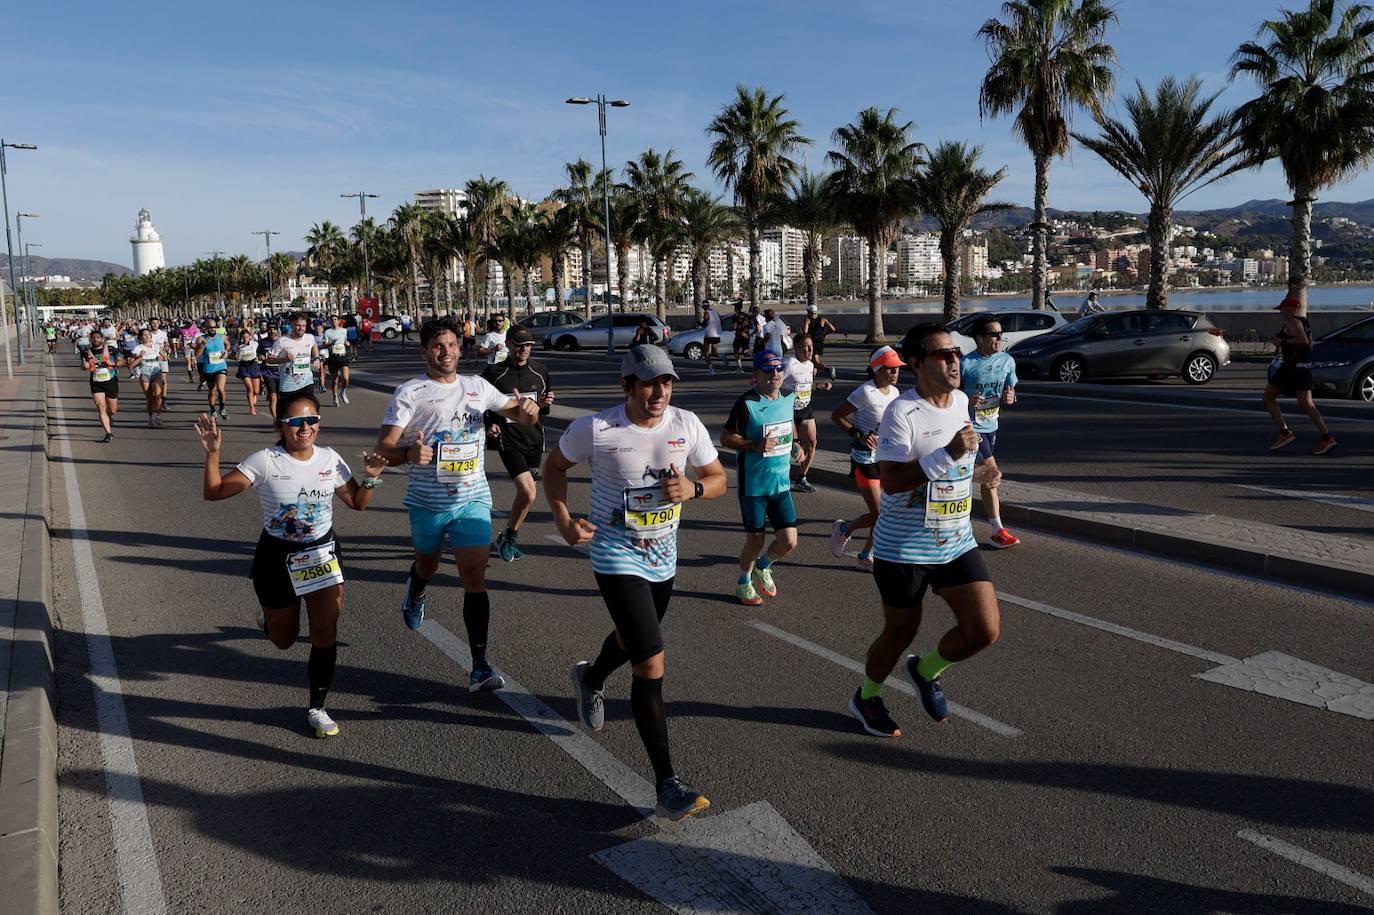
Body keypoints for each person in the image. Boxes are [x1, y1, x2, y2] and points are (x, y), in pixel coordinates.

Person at [546, 344, 727, 821]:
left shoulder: (686, 425)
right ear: (626, 386)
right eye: (648, 383)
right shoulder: (598, 429)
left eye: (666, 382)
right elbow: (554, 468)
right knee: (651, 660)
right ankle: (667, 783)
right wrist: (563, 518)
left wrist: (696, 488)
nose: (659, 392)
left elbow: (717, 476)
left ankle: (590, 676)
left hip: (664, 558)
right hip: (615, 554)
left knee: (631, 640)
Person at [197, 393, 387, 737]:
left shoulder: (330, 459)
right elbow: (215, 492)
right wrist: (212, 454)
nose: (305, 427)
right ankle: (269, 620)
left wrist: (371, 477)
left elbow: (358, 502)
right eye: (296, 421)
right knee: (284, 640)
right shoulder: (265, 461)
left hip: (321, 554)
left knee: (324, 632)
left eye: (312, 419)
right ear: (280, 425)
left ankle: (318, 707)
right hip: (277, 557)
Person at [848, 322, 1003, 739]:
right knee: (900, 632)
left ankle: (926, 669)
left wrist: (986, 465)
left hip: (955, 540)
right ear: (916, 363)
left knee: (984, 630)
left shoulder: (961, 401)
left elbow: (972, 441)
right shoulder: (903, 412)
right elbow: (894, 480)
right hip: (904, 547)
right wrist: (950, 452)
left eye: (955, 352)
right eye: (943, 354)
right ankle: (867, 695)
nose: (954, 360)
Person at [373, 316, 541, 691]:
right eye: (437, 346)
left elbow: (517, 412)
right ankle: (416, 592)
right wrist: (407, 453)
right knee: (427, 566)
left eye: (451, 345)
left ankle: (479, 665)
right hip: (428, 502)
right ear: (424, 352)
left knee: (474, 574)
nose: (446, 352)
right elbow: (383, 449)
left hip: (472, 497)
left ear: (460, 348)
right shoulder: (410, 393)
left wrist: (528, 413)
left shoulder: (477, 387)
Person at [722, 350, 799, 605]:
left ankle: (763, 566)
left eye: (778, 368)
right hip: (753, 486)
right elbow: (726, 438)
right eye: (768, 370)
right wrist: (755, 445)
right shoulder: (746, 404)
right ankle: (744, 583)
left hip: (781, 483)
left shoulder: (788, 397)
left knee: (789, 541)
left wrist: (796, 443)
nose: (775, 374)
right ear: (756, 375)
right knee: (755, 541)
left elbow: (789, 422)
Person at [481, 325, 554, 562]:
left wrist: (543, 403)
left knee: (527, 496)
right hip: (507, 439)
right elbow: (479, 404)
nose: (524, 350)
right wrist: (489, 424)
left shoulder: (540, 371)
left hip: (533, 440)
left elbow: (545, 409)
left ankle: (508, 535)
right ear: (509, 344)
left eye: (529, 346)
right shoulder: (494, 373)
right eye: (520, 345)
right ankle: (511, 536)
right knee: (528, 491)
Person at [830, 347, 903, 566]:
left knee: (885, 513)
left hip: (887, 458)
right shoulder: (865, 392)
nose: (894, 373)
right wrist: (858, 435)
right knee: (880, 513)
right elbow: (837, 415)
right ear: (877, 369)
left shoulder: (895, 392)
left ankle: (865, 555)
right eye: (889, 369)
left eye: (897, 369)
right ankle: (844, 529)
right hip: (864, 459)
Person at [960, 315, 1021, 548]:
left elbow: (1012, 391)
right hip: (969, 427)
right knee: (992, 472)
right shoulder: (966, 364)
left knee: (982, 479)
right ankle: (998, 531)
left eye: (1000, 334)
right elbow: (949, 397)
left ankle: (959, 522)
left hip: (991, 426)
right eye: (994, 334)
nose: (999, 338)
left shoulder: (1007, 361)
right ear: (980, 339)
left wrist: (1011, 397)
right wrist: (967, 399)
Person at [1265, 294, 1337, 454]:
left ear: (1290, 309)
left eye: (1282, 309)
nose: (1280, 312)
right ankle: (1326, 437)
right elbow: (1308, 345)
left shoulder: (1292, 322)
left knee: (1269, 397)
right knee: (1307, 405)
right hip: (1301, 368)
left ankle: (1285, 433)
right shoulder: (1304, 323)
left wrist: (1281, 343)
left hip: (1293, 368)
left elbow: (1303, 341)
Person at [782, 333, 832, 493]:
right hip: (787, 410)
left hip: (805, 408)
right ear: (796, 348)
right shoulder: (789, 364)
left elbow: (804, 385)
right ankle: (778, 477)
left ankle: (801, 478)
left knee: (811, 443)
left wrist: (818, 386)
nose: (810, 349)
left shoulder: (810, 365)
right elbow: (774, 383)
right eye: (806, 346)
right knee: (789, 448)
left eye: (811, 346)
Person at [265, 312, 321, 409]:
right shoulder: (282, 341)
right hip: (288, 384)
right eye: (298, 325)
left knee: (311, 408)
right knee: (288, 414)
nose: (301, 328)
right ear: (291, 324)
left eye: (304, 325)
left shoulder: (309, 338)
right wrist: (285, 359)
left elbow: (314, 345)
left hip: (307, 382)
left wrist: (316, 358)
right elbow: (269, 360)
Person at [83, 330, 126, 442]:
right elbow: (84, 366)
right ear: (90, 339)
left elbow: (122, 361)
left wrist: (115, 363)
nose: (95, 339)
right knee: (101, 407)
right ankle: (108, 433)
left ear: (102, 339)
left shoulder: (111, 349)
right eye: (93, 338)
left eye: (98, 337)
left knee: (112, 410)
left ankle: (110, 416)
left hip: (110, 381)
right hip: (96, 382)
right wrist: (84, 365)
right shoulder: (86, 352)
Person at [129, 328, 167, 428]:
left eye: (148, 335)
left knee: (158, 396)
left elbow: (165, 358)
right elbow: (131, 364)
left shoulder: (156, 346)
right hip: (145, 374)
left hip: (156, 373)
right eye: (144, 335)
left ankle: (158, 418)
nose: (147, 337)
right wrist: (140, 357)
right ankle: (151, 419)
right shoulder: (137, 348)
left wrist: (163, 356)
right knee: (150, 398)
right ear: (140, 337)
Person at [195, 323, 230, 418]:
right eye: (210, 327)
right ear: (206, 328)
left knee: (221, 388)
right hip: (209, 369)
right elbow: (197, 355)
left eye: (214, 327)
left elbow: (228, 344)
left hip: (221, 366)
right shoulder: (201, 339)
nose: (212, 329)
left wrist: (226, 351)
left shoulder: (222, 337)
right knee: (212, 391)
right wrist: (202, 346)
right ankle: (213, 409)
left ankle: (222, 408)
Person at [321, 315, 352, 407]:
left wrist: (347, 343)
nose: (333, 321)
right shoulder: (327, 332)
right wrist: (330, 343)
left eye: (335, 319)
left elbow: (347, 341)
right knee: (334, 381)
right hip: (333, 357)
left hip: (342, 356)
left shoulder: (344, 331)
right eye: (332, 320)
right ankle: (335, 397)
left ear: (338, 321)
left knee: (346, 378)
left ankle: (343, 392)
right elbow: (324, 345)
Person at [234, 328, 264, 416]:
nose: (245, 339)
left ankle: (253, 398)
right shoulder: (238, 345)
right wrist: (235, 356)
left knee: (256, 391)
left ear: (250, 337)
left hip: (254, 366)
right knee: (249, 388)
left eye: (246, 337)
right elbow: (232, 354)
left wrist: (260, 356)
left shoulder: (255, 344)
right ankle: (252, 407)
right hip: (243, 367)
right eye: (243, 337)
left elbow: (259, 353)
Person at [803, 305, 838, 377]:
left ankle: (828, 369)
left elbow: (805, 332)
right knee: (813, 362)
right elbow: (833, 329)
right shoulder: (823, 320)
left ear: (809, 312)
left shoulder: (807, 320)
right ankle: (812, 378)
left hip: (812, 343)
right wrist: (824, 334)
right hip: (820, 343)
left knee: (815, 362)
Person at [259, 325, 282, 423]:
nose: (272, 332)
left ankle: (281, 416)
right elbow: (258, 354)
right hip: (268, 372)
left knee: (281, 397)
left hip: (281, 371)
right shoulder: (262, 342)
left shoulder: (283, 341)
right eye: (270, 330)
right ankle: (275, 419)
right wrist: (260, 356)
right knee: (273, 397)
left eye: (274, 330)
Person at [700, 301, 722, 375]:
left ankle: (711, 370)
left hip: (709, 334)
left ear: (704, 306)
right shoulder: (715, 312)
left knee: (706, 353)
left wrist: (699, 323)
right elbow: (721, 320)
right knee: (714, 352)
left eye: (702, 306)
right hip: (717, 334)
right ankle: (722, 355)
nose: (702, 308)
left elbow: (704, 324)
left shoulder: (706, 313)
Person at [730, 302, 752, 373]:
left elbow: (734, 327)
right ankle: (756, 360)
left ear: (736, 308)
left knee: (736, 351)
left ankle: (740, 368)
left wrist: (731, 328)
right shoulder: (746, 315)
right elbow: (750, 324)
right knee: (745, 352)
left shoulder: (736, 316)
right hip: (746, 335)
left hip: (739, 336)